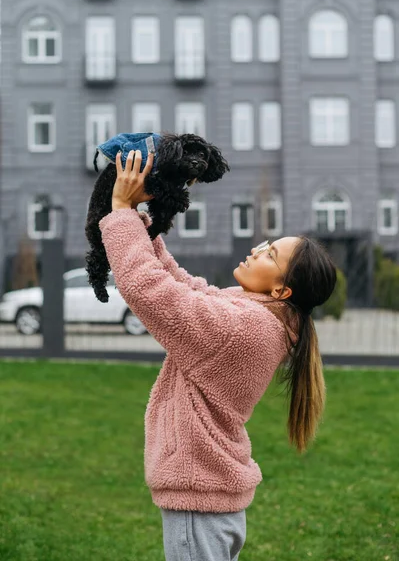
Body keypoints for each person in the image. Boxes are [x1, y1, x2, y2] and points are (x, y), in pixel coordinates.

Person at [98, 149, 337, 561]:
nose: (258, 249)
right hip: (209, 496)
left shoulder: (247, 330)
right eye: (266, 244)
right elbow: (184, 286)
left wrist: (120, 210)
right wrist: (140, 219)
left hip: (199, 500)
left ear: (281, 291)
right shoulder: (256, 317)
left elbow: (150, 290)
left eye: (270, 255)